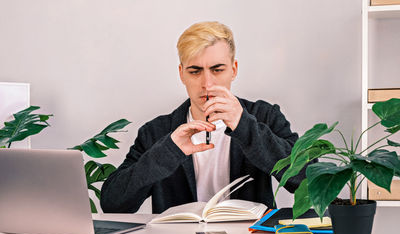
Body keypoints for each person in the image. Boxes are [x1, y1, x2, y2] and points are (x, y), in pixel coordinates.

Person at [100, 21, 305, 214]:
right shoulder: (156, 132)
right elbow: (113, 204)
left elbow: (306, 180)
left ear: (233, 70)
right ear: (182, 74)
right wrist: (168, 150)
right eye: (195, 71)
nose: (207, 83)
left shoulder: (265, 116)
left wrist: (245, 127)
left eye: (217, 69)